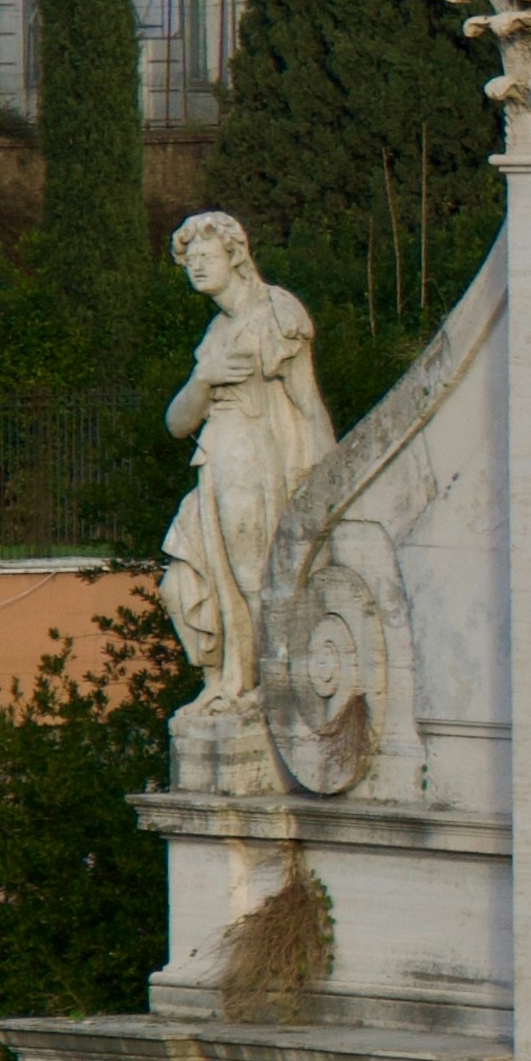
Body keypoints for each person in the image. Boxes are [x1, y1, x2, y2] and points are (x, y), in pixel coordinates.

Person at [160, 215, 335, 712]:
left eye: (205, 257)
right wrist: (204, 378)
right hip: (216, 461)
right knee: (183, 582)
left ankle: (270, 685)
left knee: (254, 574)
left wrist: (330, 481)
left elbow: (308, 400)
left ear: (234, 256)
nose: (196, 267)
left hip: (256, 457)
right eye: (190, 261)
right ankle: (224, 681)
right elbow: (177, 423)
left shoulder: (275, 312)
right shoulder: (217, 331)